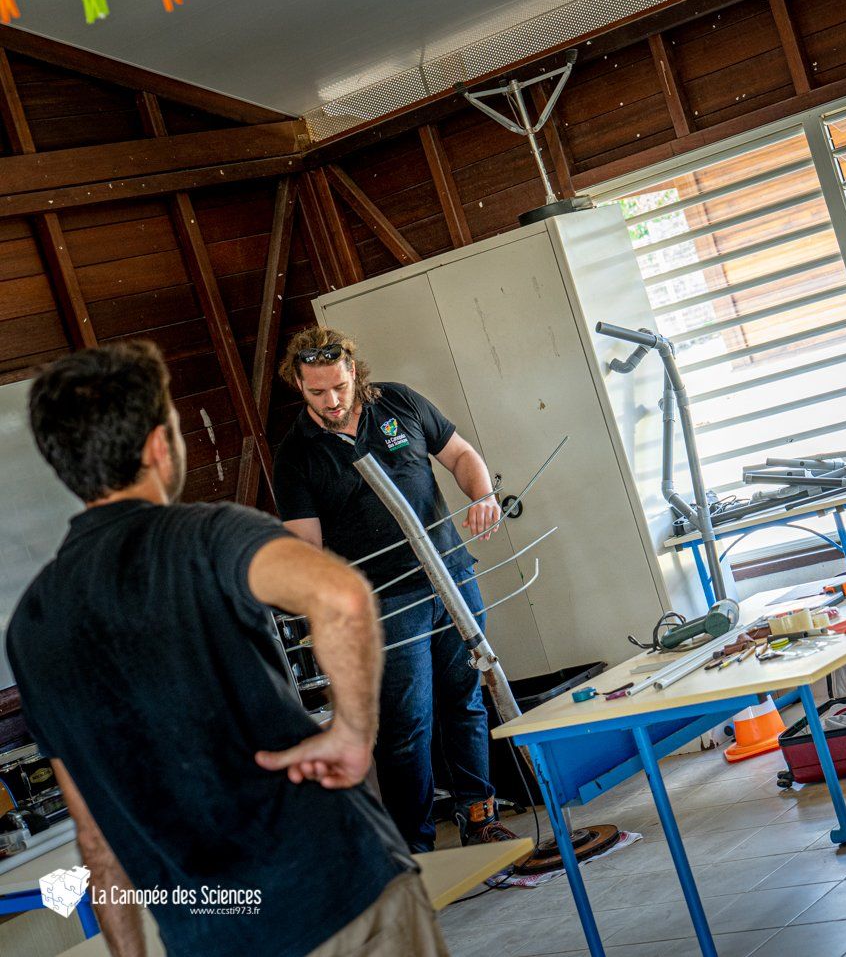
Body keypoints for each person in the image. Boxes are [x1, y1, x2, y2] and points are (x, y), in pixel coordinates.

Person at [5, 342, 447, 957]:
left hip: (212, 932)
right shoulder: (210, 533)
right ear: (160, 446)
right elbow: (342, 594)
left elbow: (95, 838)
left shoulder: (30, 625)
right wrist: (351, 734)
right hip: (335, 891)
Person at [273, 326, 511, 853]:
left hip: (451, 575)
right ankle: (416, 850)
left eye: (339, 386)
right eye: (317, 392)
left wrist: (484, 496)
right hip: (384, 603)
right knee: (407, 727)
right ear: (297, 384)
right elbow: (305, 547)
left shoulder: (400, 402)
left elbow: (462, 457)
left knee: (467, 700)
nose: (332, 401)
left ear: (354, 371)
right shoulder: (295, 456)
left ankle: (481, 817)